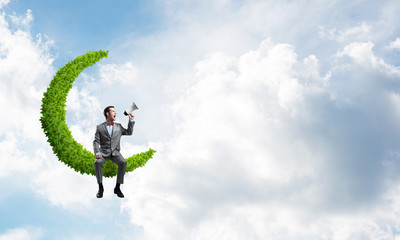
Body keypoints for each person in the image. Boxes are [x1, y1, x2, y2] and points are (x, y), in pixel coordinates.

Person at [93, 106, 135, 198]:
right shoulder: (100, 127)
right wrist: (97, 152)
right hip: (103, 153)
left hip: (115, 153)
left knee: (123, 162)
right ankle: (100, 187)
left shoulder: (118, 126)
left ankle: (117, 187)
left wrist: (131, 121)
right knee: (97, 163)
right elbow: (96, 141)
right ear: (107, 113)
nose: (115, 113)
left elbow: (129, 132)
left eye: (115, 111)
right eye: (113, 111)